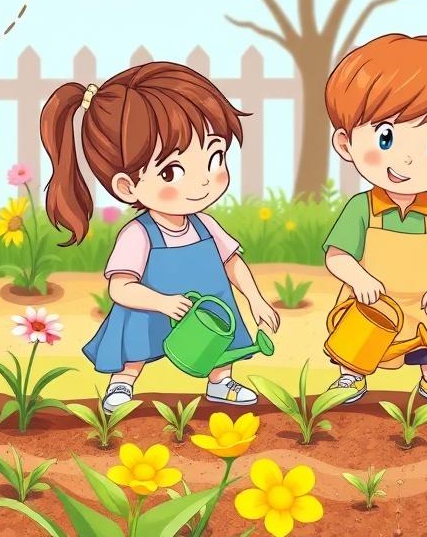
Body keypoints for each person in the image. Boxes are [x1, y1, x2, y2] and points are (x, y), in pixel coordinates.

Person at [40, 61, 280, 412]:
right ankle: (122, 383)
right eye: (172, 170)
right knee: (135, 334)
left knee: (223, 322)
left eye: (215, 157)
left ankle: (220, 379)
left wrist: (256, 300)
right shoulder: (139, 235)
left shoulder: (206, 225)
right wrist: (162, 302)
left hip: (205, 310)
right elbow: (120, 288)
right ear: (127, 186)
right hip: (152, 309)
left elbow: (233, 262)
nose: (202, 181)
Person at [322, 34, 427, 405]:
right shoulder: (361, 208)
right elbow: (337, 256)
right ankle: (350, 377)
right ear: (346, 144)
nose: (409, 160)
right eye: (386, 138)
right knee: (355, 338)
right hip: (373, 299)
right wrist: (359, 277)